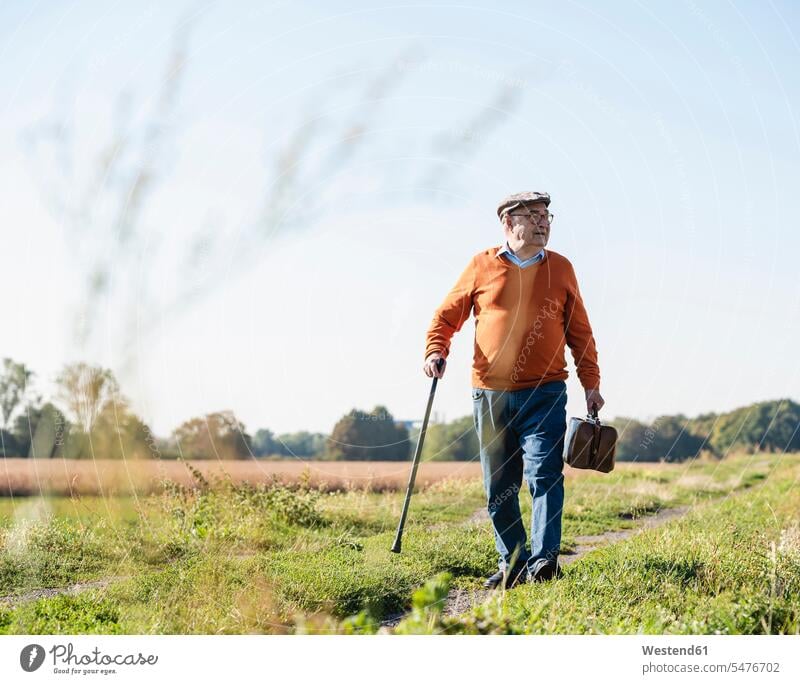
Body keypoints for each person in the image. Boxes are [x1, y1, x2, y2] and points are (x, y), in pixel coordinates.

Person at [422, 191, 604, 589]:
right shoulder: (481, 266)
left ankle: (544, 562)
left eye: (547, 216)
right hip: (490, 394)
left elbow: (581, 332)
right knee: (499, 485)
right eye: (534, 215)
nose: (544, 223)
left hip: (546, 392)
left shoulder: (562, 269)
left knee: (545, 474)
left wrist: (591, 383)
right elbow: (446, 316)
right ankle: (514, 562)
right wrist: (436, 350)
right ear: (508, 223)